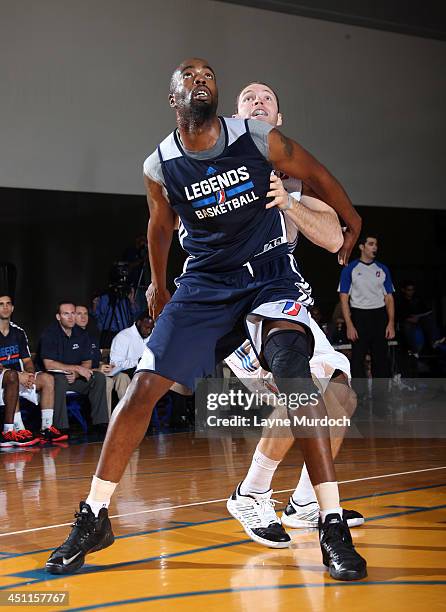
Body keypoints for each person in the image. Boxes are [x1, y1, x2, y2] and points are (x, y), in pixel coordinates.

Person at [45, 58, 365, 581]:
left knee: (299, 376)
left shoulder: (259, 139)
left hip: (267, 275)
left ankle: (330, 522)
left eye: (209, 75)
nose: (201, 79)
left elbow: (319, 174)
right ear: (173, 98)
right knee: (144, 386)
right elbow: (159, 231)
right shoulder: (161, 165)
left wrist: (353, 219)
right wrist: (159, 283)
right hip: (208, 281)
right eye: (189, 75)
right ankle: (93, 516)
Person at [223, 82, 363, 542]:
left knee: (340, 395)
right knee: (299, 390)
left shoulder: (297, 174)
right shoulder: (215, 166)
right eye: (249, 98)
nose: (258, 102)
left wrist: (290, 202)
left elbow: (334, 237)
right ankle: (251, 492)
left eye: (267, 99)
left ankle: (304, 502)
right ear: (236, 115)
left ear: (278, 119)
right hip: (238, 300)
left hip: (286, 297)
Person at [39, 302, 109, 433]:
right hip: (55, 377)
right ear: (58, 317)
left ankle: (100, 423)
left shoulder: (81, 334)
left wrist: (77, 374)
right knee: (59, 380)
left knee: (98, 377)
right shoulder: (49, 334)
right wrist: (76, 368)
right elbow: (48, 364)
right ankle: (60, 427)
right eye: (66, 314)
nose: (71, 317)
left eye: (73, 313)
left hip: (75, 378)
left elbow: (87, 362)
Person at [0, 294, 61, 446]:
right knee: (12, 376)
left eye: (8, 304)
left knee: (47, 378)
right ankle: (17, 429)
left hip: (17, 377)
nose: (5, 307)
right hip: (4, 379)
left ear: (13, 308)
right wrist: (19, 376)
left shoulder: (18, 332)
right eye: (1, 304)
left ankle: (46, 428)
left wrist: (30, 374)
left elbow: (27, 360)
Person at [339, 234, 395, 395]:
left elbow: (389, 298)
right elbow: (343, 298)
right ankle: (360, 401)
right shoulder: (350, 268)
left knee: (381, 362)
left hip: (379, 316)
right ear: (362, 247)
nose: (374, 247)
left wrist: (390, 322)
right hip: (359, 317)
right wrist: (349, 325)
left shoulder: (382, 269)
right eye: (371, 244)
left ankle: (381, 404)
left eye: (376, 244)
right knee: (357, 361)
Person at [75, 305, 131, 418]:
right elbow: (75, 365)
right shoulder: (71, 337)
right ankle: (107, 421)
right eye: (79, 314)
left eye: (85, 313)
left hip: (98, 371)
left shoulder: (92, 337)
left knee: (123, 377)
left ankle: (126, 417)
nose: (83, 317)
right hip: (84, 376)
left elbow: (97, 360)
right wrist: (97, 369)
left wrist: (106, 366)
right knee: (106, 381)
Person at [109, 311, 154, 377]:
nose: (149, 331)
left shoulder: (151, 337)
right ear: (139, 323)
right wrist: (137, 362)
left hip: (146, 373)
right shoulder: (123, 337)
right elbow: (115, 364)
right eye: (146, 328)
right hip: (126, 374)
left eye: (151, 328)